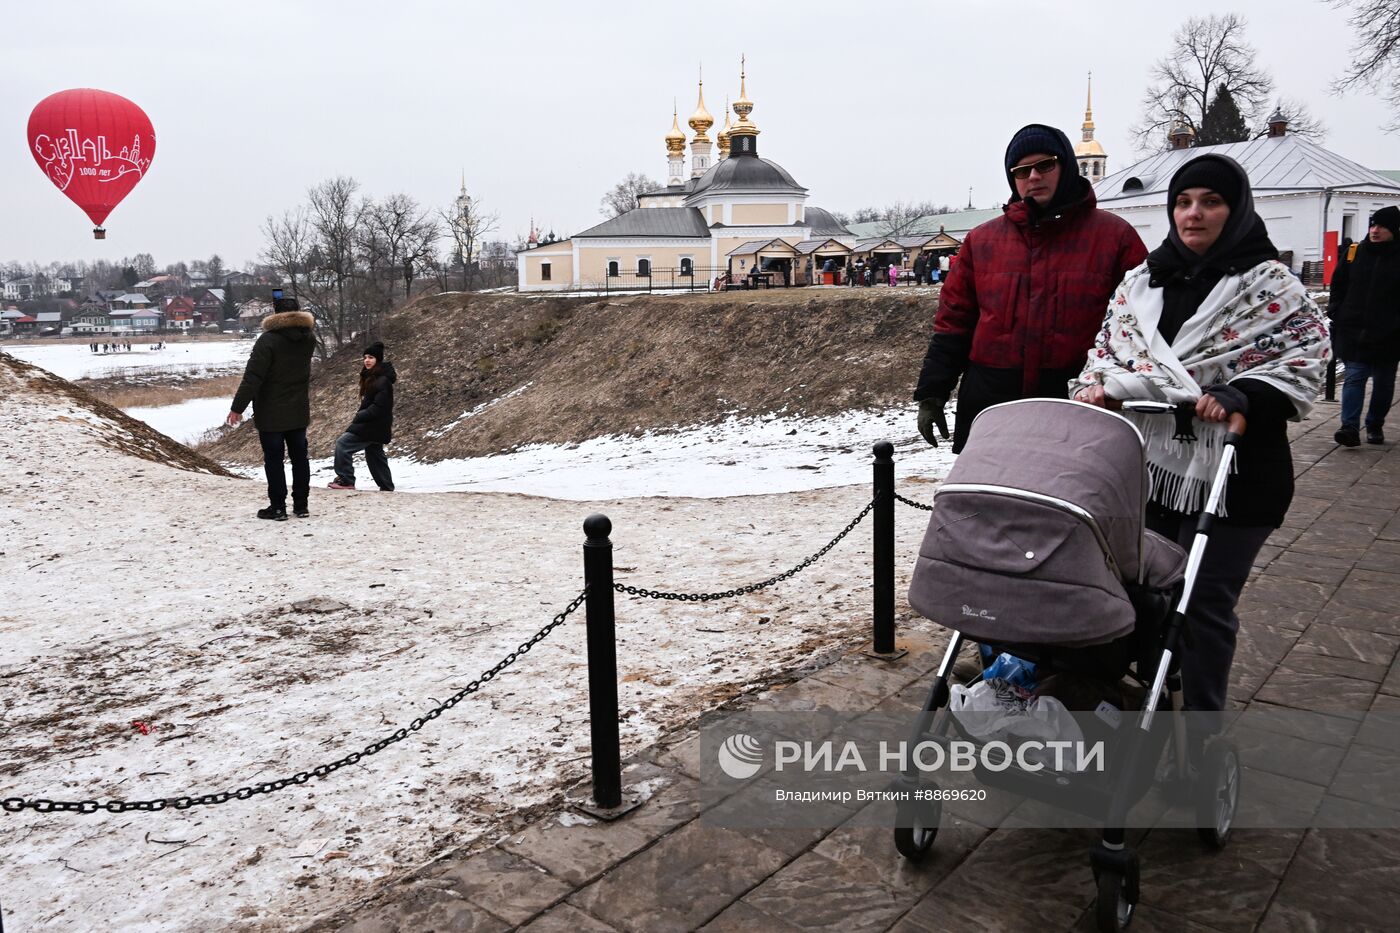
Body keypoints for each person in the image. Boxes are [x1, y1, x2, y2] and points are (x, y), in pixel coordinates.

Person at [1071, 154, 1330, 754]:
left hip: (1238, 475)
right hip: (1153, 470)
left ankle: (1203, 733)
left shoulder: (1269, 285)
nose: (1195, 213)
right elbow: (1111, 350)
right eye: (1184, 202)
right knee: (1148, 594)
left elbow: (1303, 360)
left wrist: (1242, 394)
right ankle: (1148, 704)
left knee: (1203, 604)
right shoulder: (1142, 282)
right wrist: (1101, 387)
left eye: (1210, 202)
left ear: (1235, 209)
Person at [914, 123, 1148, 451]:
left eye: (1045, 165)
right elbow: (955, 323)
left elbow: (1141, 325)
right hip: (993, 400)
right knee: (992, 498)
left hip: (1078, 398)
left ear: (1065, 167)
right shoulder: (982, 241)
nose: (1034, 176)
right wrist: (932, 392)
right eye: (1022, 170)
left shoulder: (1115, 238)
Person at [226, 296, 315, 520]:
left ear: (275, 314)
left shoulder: (268, 341)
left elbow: (253, 377)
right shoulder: (309, 338)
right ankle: (301, 505)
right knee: (300, 458)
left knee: (274, 460)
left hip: (272, 411)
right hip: (298, 409)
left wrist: (237, 408)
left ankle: (277, 507)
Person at [1328, 206, 1400, 446]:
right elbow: (1338, 285)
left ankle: (1374, 423)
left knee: (1383, 383)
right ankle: (1349, 427)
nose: (1375, 230)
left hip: (1389, 334)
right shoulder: (1354, 253)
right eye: (1372, 225)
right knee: (1354, 377)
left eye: (1381, 226)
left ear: (1394, 230)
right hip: (1355, 329)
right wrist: (1337, 311)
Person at [328, 342, 397, 492]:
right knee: (375, 454)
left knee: (343, 444)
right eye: (365, 357)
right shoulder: (374, 378)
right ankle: (387, 487)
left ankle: (346, 480)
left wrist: (360, 415)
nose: (367, 360)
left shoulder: (382, 381)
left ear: (378, 360)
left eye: (371, 357)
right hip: (376, 425)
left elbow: (379, 407)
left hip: (372, 425)